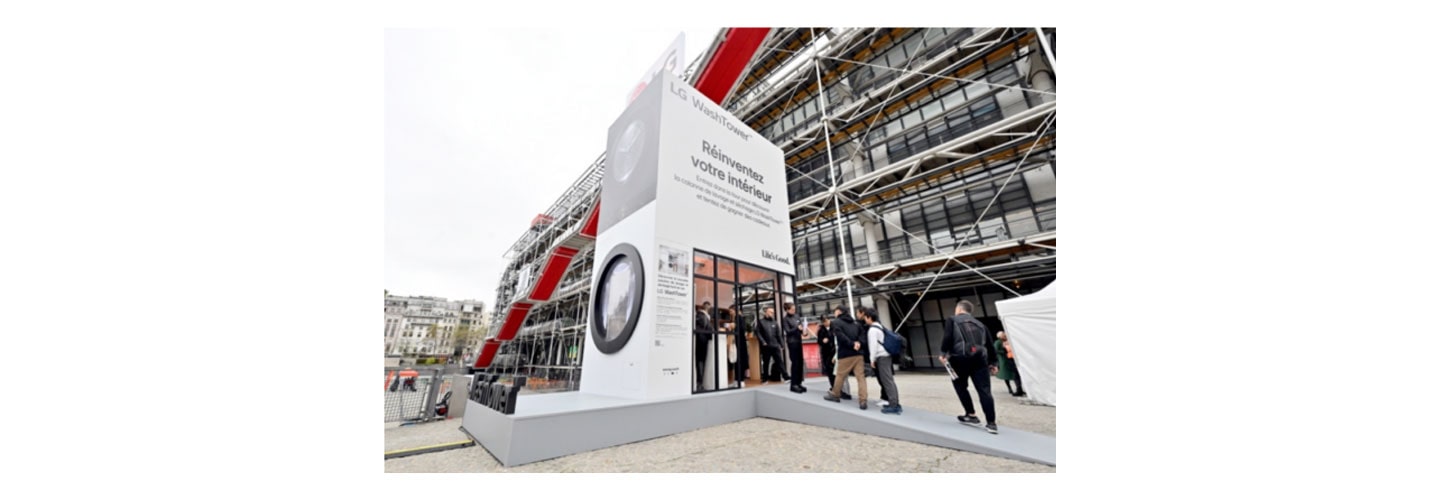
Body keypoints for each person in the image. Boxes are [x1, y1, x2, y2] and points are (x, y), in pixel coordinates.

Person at [942, 300, 999, 434]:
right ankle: (991, 423)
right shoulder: (981, 325)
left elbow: (948, 336)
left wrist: (943, 353)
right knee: (985, 391)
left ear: (959, 309)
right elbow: (989, 345)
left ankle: (971, 414)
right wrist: (993, 362)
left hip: (959, 359)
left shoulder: (952, 320)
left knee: (960, 386)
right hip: (980, 360)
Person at [823, 307, 868, 409]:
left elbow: (840, 336)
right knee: (861, 378)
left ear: (839, 312)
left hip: (845, 354)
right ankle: (863, 401)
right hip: (858, 354)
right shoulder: (856, 323)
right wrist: (858, 343)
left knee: (840, 375)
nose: (834, 313)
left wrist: (852, 344)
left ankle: (835, 394)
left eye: (835, 311)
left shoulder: (836, 322)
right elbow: (863, 336)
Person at [861, 306, 901, 415]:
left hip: (882, 357)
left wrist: (871, 359)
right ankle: (894, 402)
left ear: (869, 318)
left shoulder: (872, 330)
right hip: (886, 356)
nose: (864, 319)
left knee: (887, 381)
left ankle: (894, 405)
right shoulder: (880, 326)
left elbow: (872, 346)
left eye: (865, 317)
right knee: (889, 380)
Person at [815, 317, 851, 399]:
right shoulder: (821, 330)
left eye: (826, 321)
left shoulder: (835, 327)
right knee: (830, 372)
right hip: (826, 353)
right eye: (824, 322)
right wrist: (822, 340)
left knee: (838, 373)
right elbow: (819, 341)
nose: (825, 323)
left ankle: (841, 390)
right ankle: (834, 387)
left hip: (835, 352)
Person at [755, 306, 787, 383]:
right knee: (766, 363)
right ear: (766, 312)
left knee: (780, 362)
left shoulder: (775, 322)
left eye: (773, 312)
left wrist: (782, 344)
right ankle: (765, 379)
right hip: (766, 346)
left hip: (775, 345)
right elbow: (757, 333)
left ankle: (786, 377)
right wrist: (763, 342)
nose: (772, 313)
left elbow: (778, 334)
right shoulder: (761, 322)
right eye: (770, 312)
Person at [782, 303, 808, 393]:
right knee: (795, 363)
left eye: (794, 309)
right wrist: (797, 328)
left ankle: (799, 382)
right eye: (792, 309)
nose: (794, 311)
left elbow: (801, 327)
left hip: (798, 341)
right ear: (787, 310)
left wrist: (804, 331)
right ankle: (793, 384)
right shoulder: (785, 319)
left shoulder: (797, 316)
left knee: (800, 362)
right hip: (792, 342)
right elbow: (788, 331)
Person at [994, 330, 1027, 397]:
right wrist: (1004, 351)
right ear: (1000, 336)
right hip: (1005, 360)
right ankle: (1013, 389)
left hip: (1012, 359)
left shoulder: (1008, 340)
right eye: (1003, 335)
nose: (1005, 335)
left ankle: (1019, 389)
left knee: (1016, 374)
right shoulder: (998, 342)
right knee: (1011, 375)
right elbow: (996, 350)